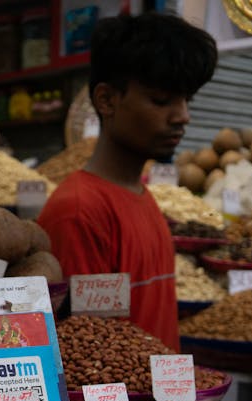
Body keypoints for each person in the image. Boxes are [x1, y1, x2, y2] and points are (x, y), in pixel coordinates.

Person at [37, 13, 217, 350]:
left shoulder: (140, 195)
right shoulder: (79, 211)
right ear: (107, 100)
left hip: (161, 399)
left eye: (186, 100)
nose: (182, 116)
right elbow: (89, 352)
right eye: (161, 101)